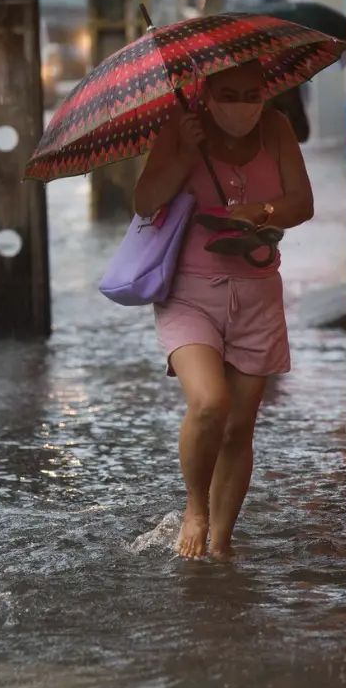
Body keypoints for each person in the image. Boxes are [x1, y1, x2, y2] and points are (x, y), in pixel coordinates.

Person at [132, 59, 315, 561]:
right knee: (210, 403)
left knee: (239, 426)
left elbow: (303, 201)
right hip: (189, 292)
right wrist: (184, 153)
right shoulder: (182, 128)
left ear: (266, 92)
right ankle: (196, 508)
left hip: (257, 292)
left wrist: (260, 212)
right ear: (206, 92)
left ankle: (221, 543)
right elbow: (145, 200)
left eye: (251, 94)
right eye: (228, 94)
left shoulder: (275, 128)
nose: (241, 105)